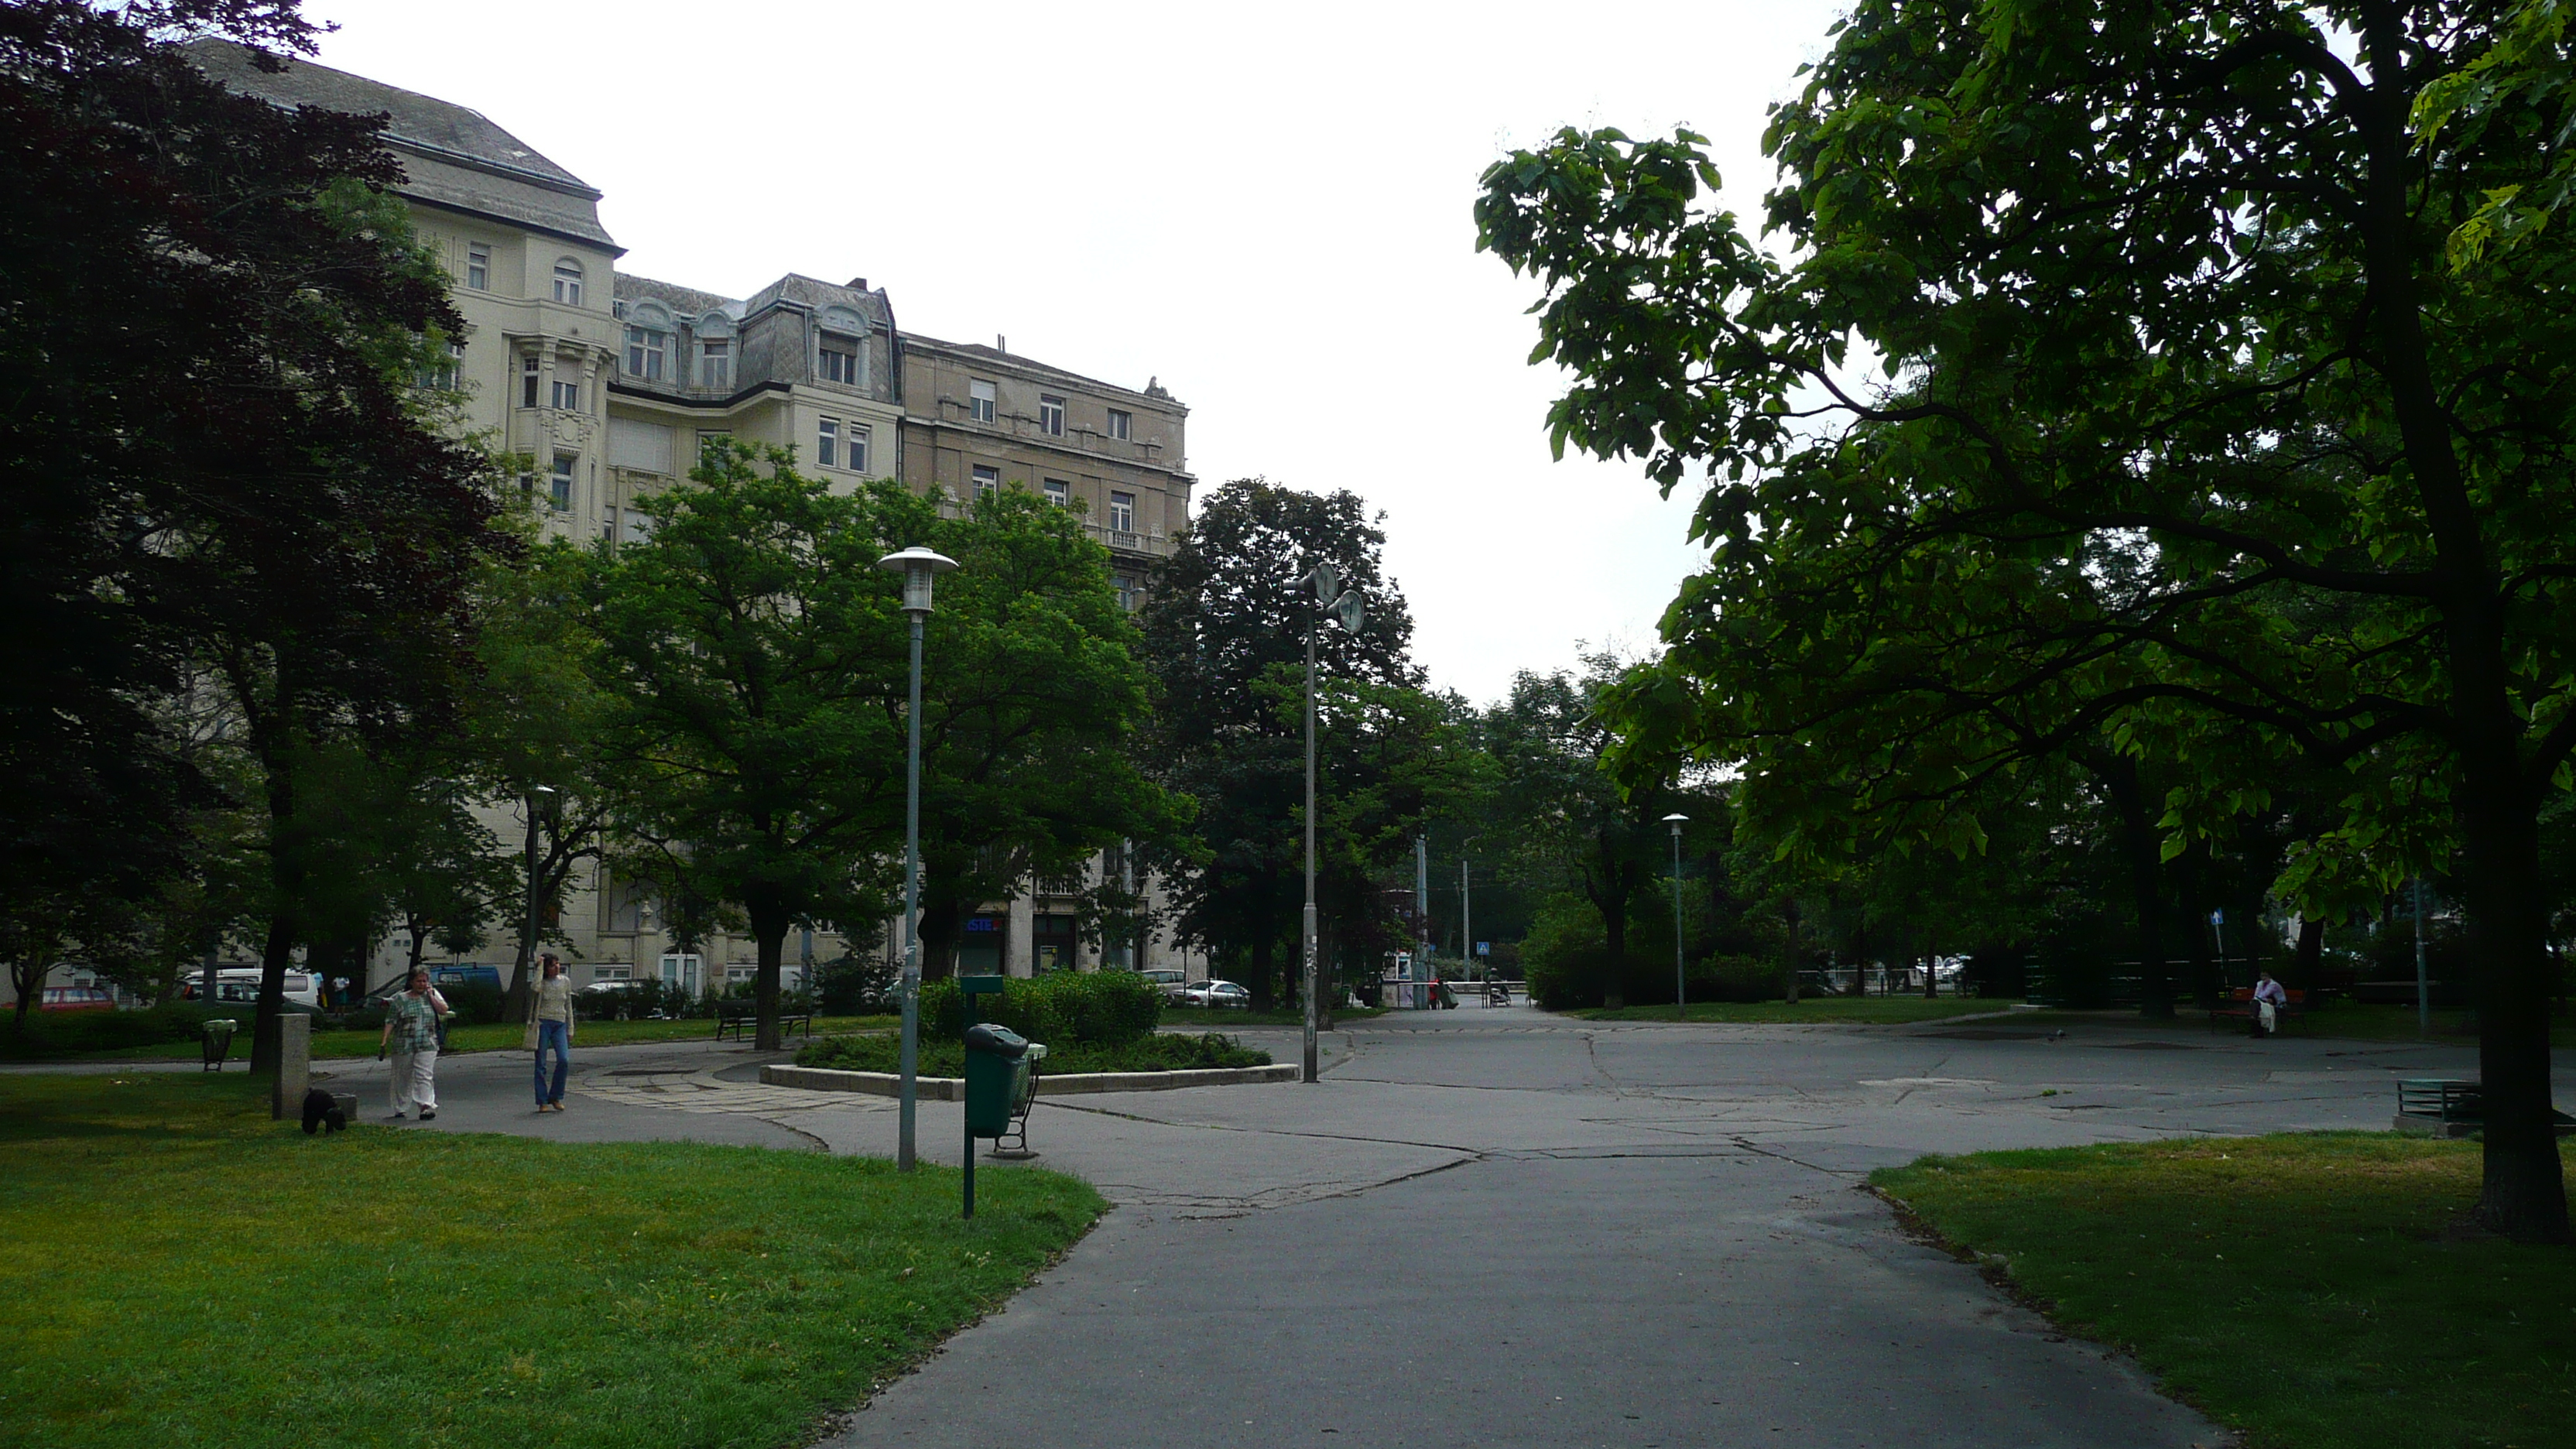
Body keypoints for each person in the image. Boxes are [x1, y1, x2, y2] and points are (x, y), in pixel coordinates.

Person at [378, 968, 448, 1121]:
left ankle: (425, 1106)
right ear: (411, 982)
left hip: (427, 1043)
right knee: (402, 1076)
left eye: (425, 981)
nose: (422, 984)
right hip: (404, 1044)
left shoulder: (433, 995)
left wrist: (430, 996)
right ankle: (400, 1108)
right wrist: (384, 1041)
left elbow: (443, 1010)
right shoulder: (400, 999)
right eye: (419, 981)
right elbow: (390, 1021)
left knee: (424, 1075)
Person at [525, 954, 576, 1113]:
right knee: (541, 1064)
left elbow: (568, 1005)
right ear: (546, 969)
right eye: (553, 965)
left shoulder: (565, 982)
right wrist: (539, 967)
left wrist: (570, 1028)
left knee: (564, 1060)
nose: (557, 967)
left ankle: (556, 1096)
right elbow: (535, 988)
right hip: (543, 1024)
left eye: (558, 964)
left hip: (559, 1024)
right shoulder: (542, 983)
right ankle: (542, 1100)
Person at [2252, 969, 2289, 1037]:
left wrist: (2262, 999)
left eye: (2266, 976)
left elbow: (2264, 995)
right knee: (2257, 1006)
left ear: (2270, 976)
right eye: (2262, 976)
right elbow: (2256, 996)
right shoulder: (2260, 984)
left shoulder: (2273, 985)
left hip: (2279, 1006)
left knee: (2257, 1007)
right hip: (2265, 1004)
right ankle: (2257, 1027)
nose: (2264, 978)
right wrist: (2264, 998)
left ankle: (2255, 1021)